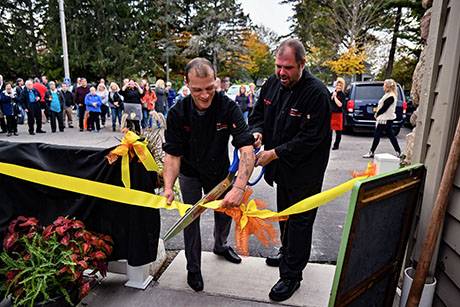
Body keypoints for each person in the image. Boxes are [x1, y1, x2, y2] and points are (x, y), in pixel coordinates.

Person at [163, 57, 255, 293]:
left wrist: (239, 187)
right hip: (190, 172)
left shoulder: (228, 107)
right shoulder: (177, 112)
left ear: (216, 81)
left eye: (209, 88)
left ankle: (221, 245)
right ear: (186, 84)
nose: (204, 95)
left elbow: (246, 148)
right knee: (190, 219)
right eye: (197, 90)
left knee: (224, 212)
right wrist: (167, 187)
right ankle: (193, 268)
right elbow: (172, 155)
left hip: (220, 174)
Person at [249, 38, 331, 302]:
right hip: (281, 171)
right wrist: (257, 133)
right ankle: (288, 254)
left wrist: (274, 153)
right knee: (284, 215)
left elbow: (311, 138)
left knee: (300, 222)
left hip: (306, 172)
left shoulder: (317, 93)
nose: (281, 73)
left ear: (302, 65)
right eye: (278, 66)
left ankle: (291, 276)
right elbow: (257, 114)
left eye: (288, 68)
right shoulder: (272, 84)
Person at [363, 79, 401, 158]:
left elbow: (384, 108)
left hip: (385, 119)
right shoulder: (388, 95)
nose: (383, 87)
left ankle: (371, 152)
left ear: (387, 87)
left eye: (384, 85)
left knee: (378, 135)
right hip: (386, 118)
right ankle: (398, 151)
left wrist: (377, 114)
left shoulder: (391, 96)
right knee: (390, 135)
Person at [330, 77, 347, 150]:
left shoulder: (342, 95)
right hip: (331, 114)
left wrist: (335, 97)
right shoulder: (332, 93)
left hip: (338, 114)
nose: (338, 87)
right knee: (329, 131)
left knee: (338, 131)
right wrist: (333, 95)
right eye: (337, 85)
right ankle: (327, 143)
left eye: (340, 85)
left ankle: (336, 145)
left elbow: (340, 105)